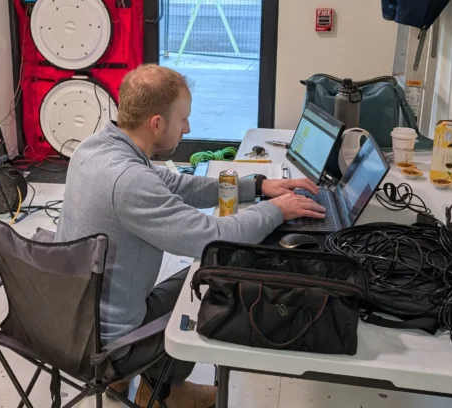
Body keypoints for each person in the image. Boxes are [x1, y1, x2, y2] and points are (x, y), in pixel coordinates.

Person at [56, 64, 325, 407]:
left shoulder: (95, 148)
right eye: (182, 119)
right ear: (157, 124)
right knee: (217, 273)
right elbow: (215, 237)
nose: (188, 128)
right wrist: (277, 210)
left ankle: (125, 383)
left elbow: (177, 185)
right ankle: (166, 393)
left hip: (72, 318)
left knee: (190, 275)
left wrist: (257, 186)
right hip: (110, 344)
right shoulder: (129, 183)